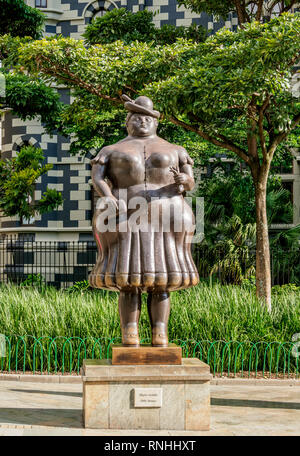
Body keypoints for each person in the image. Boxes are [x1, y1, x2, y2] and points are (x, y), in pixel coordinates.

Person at [89, 95, 199, 347]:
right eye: (136, 117)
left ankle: (160, 331)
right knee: (128, 277)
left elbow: (190, 181)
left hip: (168, 213)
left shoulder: (175, 150)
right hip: (125, 213)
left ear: (155, 122)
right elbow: (98, 177)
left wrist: (185, 181)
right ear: (128, 122)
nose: (142, 121)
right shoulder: (111, 150)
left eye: (146, 117)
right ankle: (130, 330)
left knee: (162, 278)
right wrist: (108, 196)